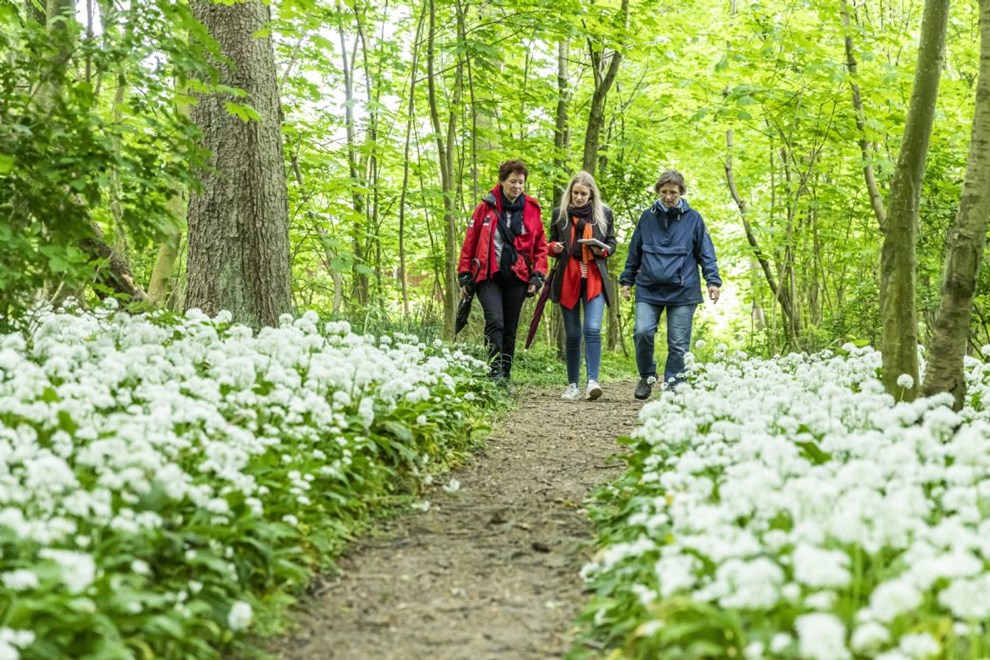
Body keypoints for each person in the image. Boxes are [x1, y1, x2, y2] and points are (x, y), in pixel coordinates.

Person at [619, 170, 721, 400]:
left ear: (681, 192)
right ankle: (647, 376)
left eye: (673, 192)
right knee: (642, 332)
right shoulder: (647, 217)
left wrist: (713, 281)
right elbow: (634, 250)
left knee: (678, 343)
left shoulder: (693, 218)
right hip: (649, 287)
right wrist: (627, 280)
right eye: (664, 192)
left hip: (683, 290)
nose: (668, 196)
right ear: (658, 192)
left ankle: (674, 386)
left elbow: (706, 253)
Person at [458, 159, 548, 384]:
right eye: (512, 182)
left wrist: (538, 275)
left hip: (518, 277)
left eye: (521, 182)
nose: (517, 186)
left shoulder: (532, 209)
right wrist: (464, 274)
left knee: (510, 327)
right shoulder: (485, 208)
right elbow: (470, 242)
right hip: (488, 275)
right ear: (502, 181)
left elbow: (540, 246)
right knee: (495, 321)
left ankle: (505, 374)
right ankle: (494, 370)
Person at [547, 171, 617, 401]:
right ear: (570, 193)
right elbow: (549, 244)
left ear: (591, 195)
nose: (578, 197)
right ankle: (572, 385)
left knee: (592, 329)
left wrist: (603, 250)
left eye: (583, 194)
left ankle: (593, 382)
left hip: (594, 279)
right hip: (568, 278)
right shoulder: (560, 215)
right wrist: (554, 247)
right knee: (573, 334)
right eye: (575, 193)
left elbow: (611, 243)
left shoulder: (604, 214)